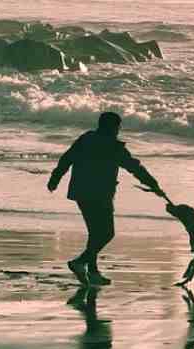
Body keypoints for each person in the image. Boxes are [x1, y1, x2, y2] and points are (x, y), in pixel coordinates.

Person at [48, 111, 164, 285]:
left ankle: (92, 272)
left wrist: (55, 178)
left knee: (95, 233)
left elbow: (67, 158)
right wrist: (153, 184)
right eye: (117, 127)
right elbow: (135, 167)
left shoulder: (86, 139)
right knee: (107, 233)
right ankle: (80, 262)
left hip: (81, 191)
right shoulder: (115, 147)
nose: (118, 130)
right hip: (100, 194)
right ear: (113, 127)